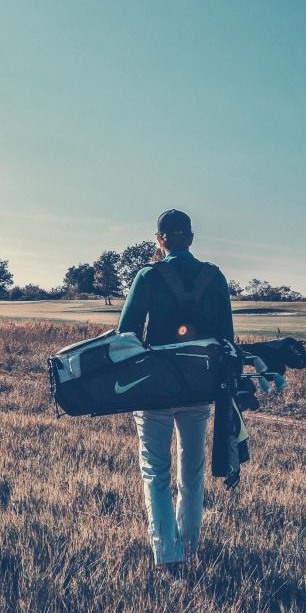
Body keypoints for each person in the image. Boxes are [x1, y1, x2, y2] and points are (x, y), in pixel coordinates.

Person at [117, 209, 234, 574]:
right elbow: (227, 339)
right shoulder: (214, 277)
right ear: (192, 238)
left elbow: (127, 334)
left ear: (160, 240)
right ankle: (190, 546)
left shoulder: (148, 276)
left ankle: (168, 556)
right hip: (199, 390)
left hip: (154, 389)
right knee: (193, 471)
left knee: (156, 470)